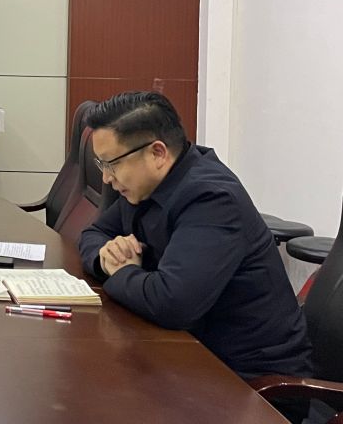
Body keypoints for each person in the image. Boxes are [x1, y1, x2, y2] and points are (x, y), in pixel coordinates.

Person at [79, 91, 311, 381]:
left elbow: (172, 303)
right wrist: (105, 257)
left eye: (111, 164)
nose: (106, 178)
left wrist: (121, 272)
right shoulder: (143, 185)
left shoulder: (212, 199)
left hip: (249, 380)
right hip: (186, 355)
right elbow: (95, 233)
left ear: (157, 153)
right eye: (101, 164)